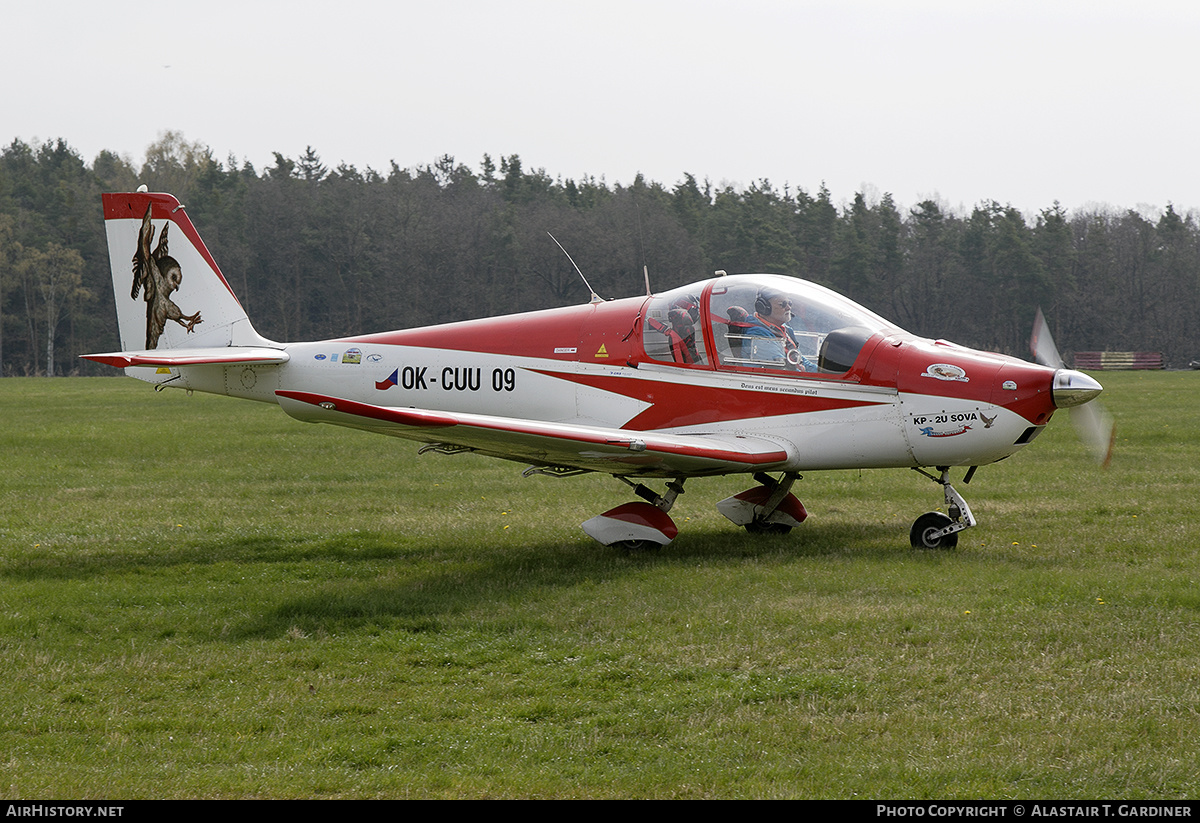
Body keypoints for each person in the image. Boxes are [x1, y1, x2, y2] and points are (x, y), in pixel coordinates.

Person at [744, 287, 815, 371]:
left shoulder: (784, 330)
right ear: (763, 307)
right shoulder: (758, 335)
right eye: (783, 304)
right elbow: (782, 369)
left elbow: (800, 361)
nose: (789, 308)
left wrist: (824, 371)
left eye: (790, 303)